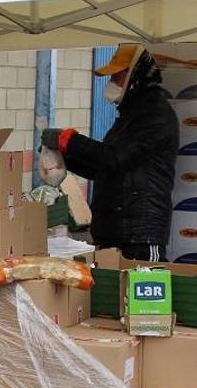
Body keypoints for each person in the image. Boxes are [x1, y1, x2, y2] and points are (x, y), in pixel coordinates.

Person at [42, 44, 178, 261]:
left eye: (117, 76)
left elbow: (114, 157)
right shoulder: (130, 117)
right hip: (113, 230)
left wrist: (70, 140)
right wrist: (63, 157)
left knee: (139, 294)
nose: (112, 83)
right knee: (109, 293)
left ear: (135, 76)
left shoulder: (155, 116)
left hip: (140, 235)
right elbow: (102, 167)